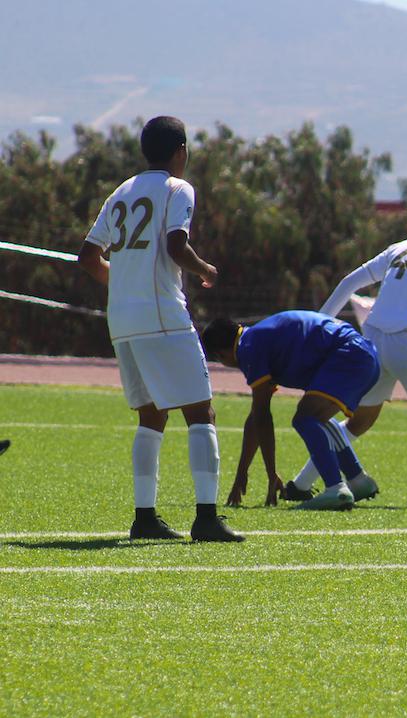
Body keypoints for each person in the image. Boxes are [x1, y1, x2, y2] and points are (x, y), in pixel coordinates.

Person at [77, 115, 241, 542]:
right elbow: (175, 245)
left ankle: (144, 517)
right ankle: (206, 517)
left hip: (123, 320)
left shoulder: (122, 191)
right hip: (163, 315)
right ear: (180, 152)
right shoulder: (177, 188)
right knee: (201, 411)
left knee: (151, 415)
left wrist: (125, 281)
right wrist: (205, 269)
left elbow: (89, 257)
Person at [291, 193, 407, 509]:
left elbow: (349, 282)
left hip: (373, 340)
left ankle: (301, 483)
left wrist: (320, 324)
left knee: (360, 420)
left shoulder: (404, 246)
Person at [201, 311, 381, 511]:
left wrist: (270, 474)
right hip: (365, 354)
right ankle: (357, 479)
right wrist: (243, 472)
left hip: (349, 354)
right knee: (316, 417)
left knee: (305, 418)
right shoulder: (255, 338)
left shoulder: (248, 347)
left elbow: (261, 417)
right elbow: (256, 417)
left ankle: (335, 487)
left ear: (221, 355)